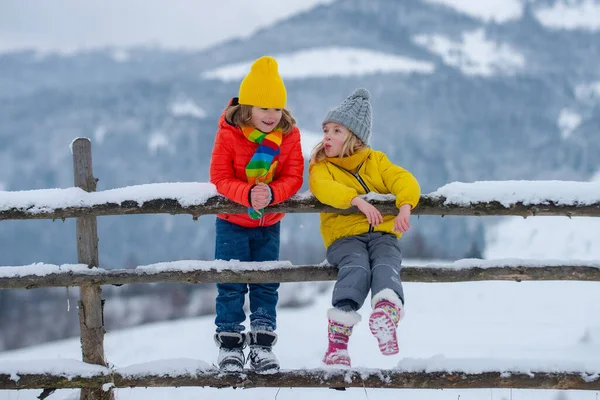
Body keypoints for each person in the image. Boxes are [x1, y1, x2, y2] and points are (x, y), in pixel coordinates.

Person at [308, 88, 420, 367]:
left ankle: (386, 314)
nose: (327, 137)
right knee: (356, 267)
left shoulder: (376, 161)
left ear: (354, 138)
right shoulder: (322, 165)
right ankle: (338, 344)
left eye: (336, 131)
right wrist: (356, 200)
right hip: (344, 237)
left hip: (382, 233)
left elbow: (403, 179)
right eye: (326, 130)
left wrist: (405, 205)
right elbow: (323, 188)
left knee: (386, 262)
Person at [209, 56, 304, 373]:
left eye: (276, 108)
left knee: (266, 284)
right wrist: (247, 193)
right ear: (247, 108)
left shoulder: (289, 136)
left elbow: (294, 176)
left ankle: (262, 346)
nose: (271, 116)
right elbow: (220, 178)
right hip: (232, 224)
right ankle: (230, 345)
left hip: (268, 224)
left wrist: (274, 193)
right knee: (231, 283)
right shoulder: (228, 134)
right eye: (264, 108)